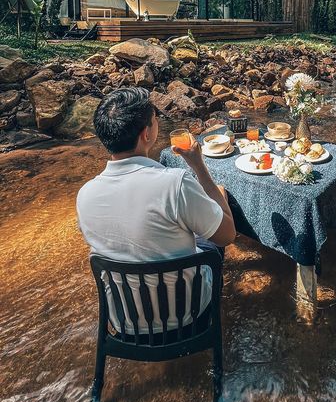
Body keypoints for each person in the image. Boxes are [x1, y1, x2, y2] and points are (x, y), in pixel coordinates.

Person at [76, 86, 235, 334]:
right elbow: (227, 236)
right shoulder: (176, 182)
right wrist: (199, 167)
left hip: (125, 322)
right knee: (214, 220)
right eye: (154, 119)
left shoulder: (84, 195)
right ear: (146, 134)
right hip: (188, 315)